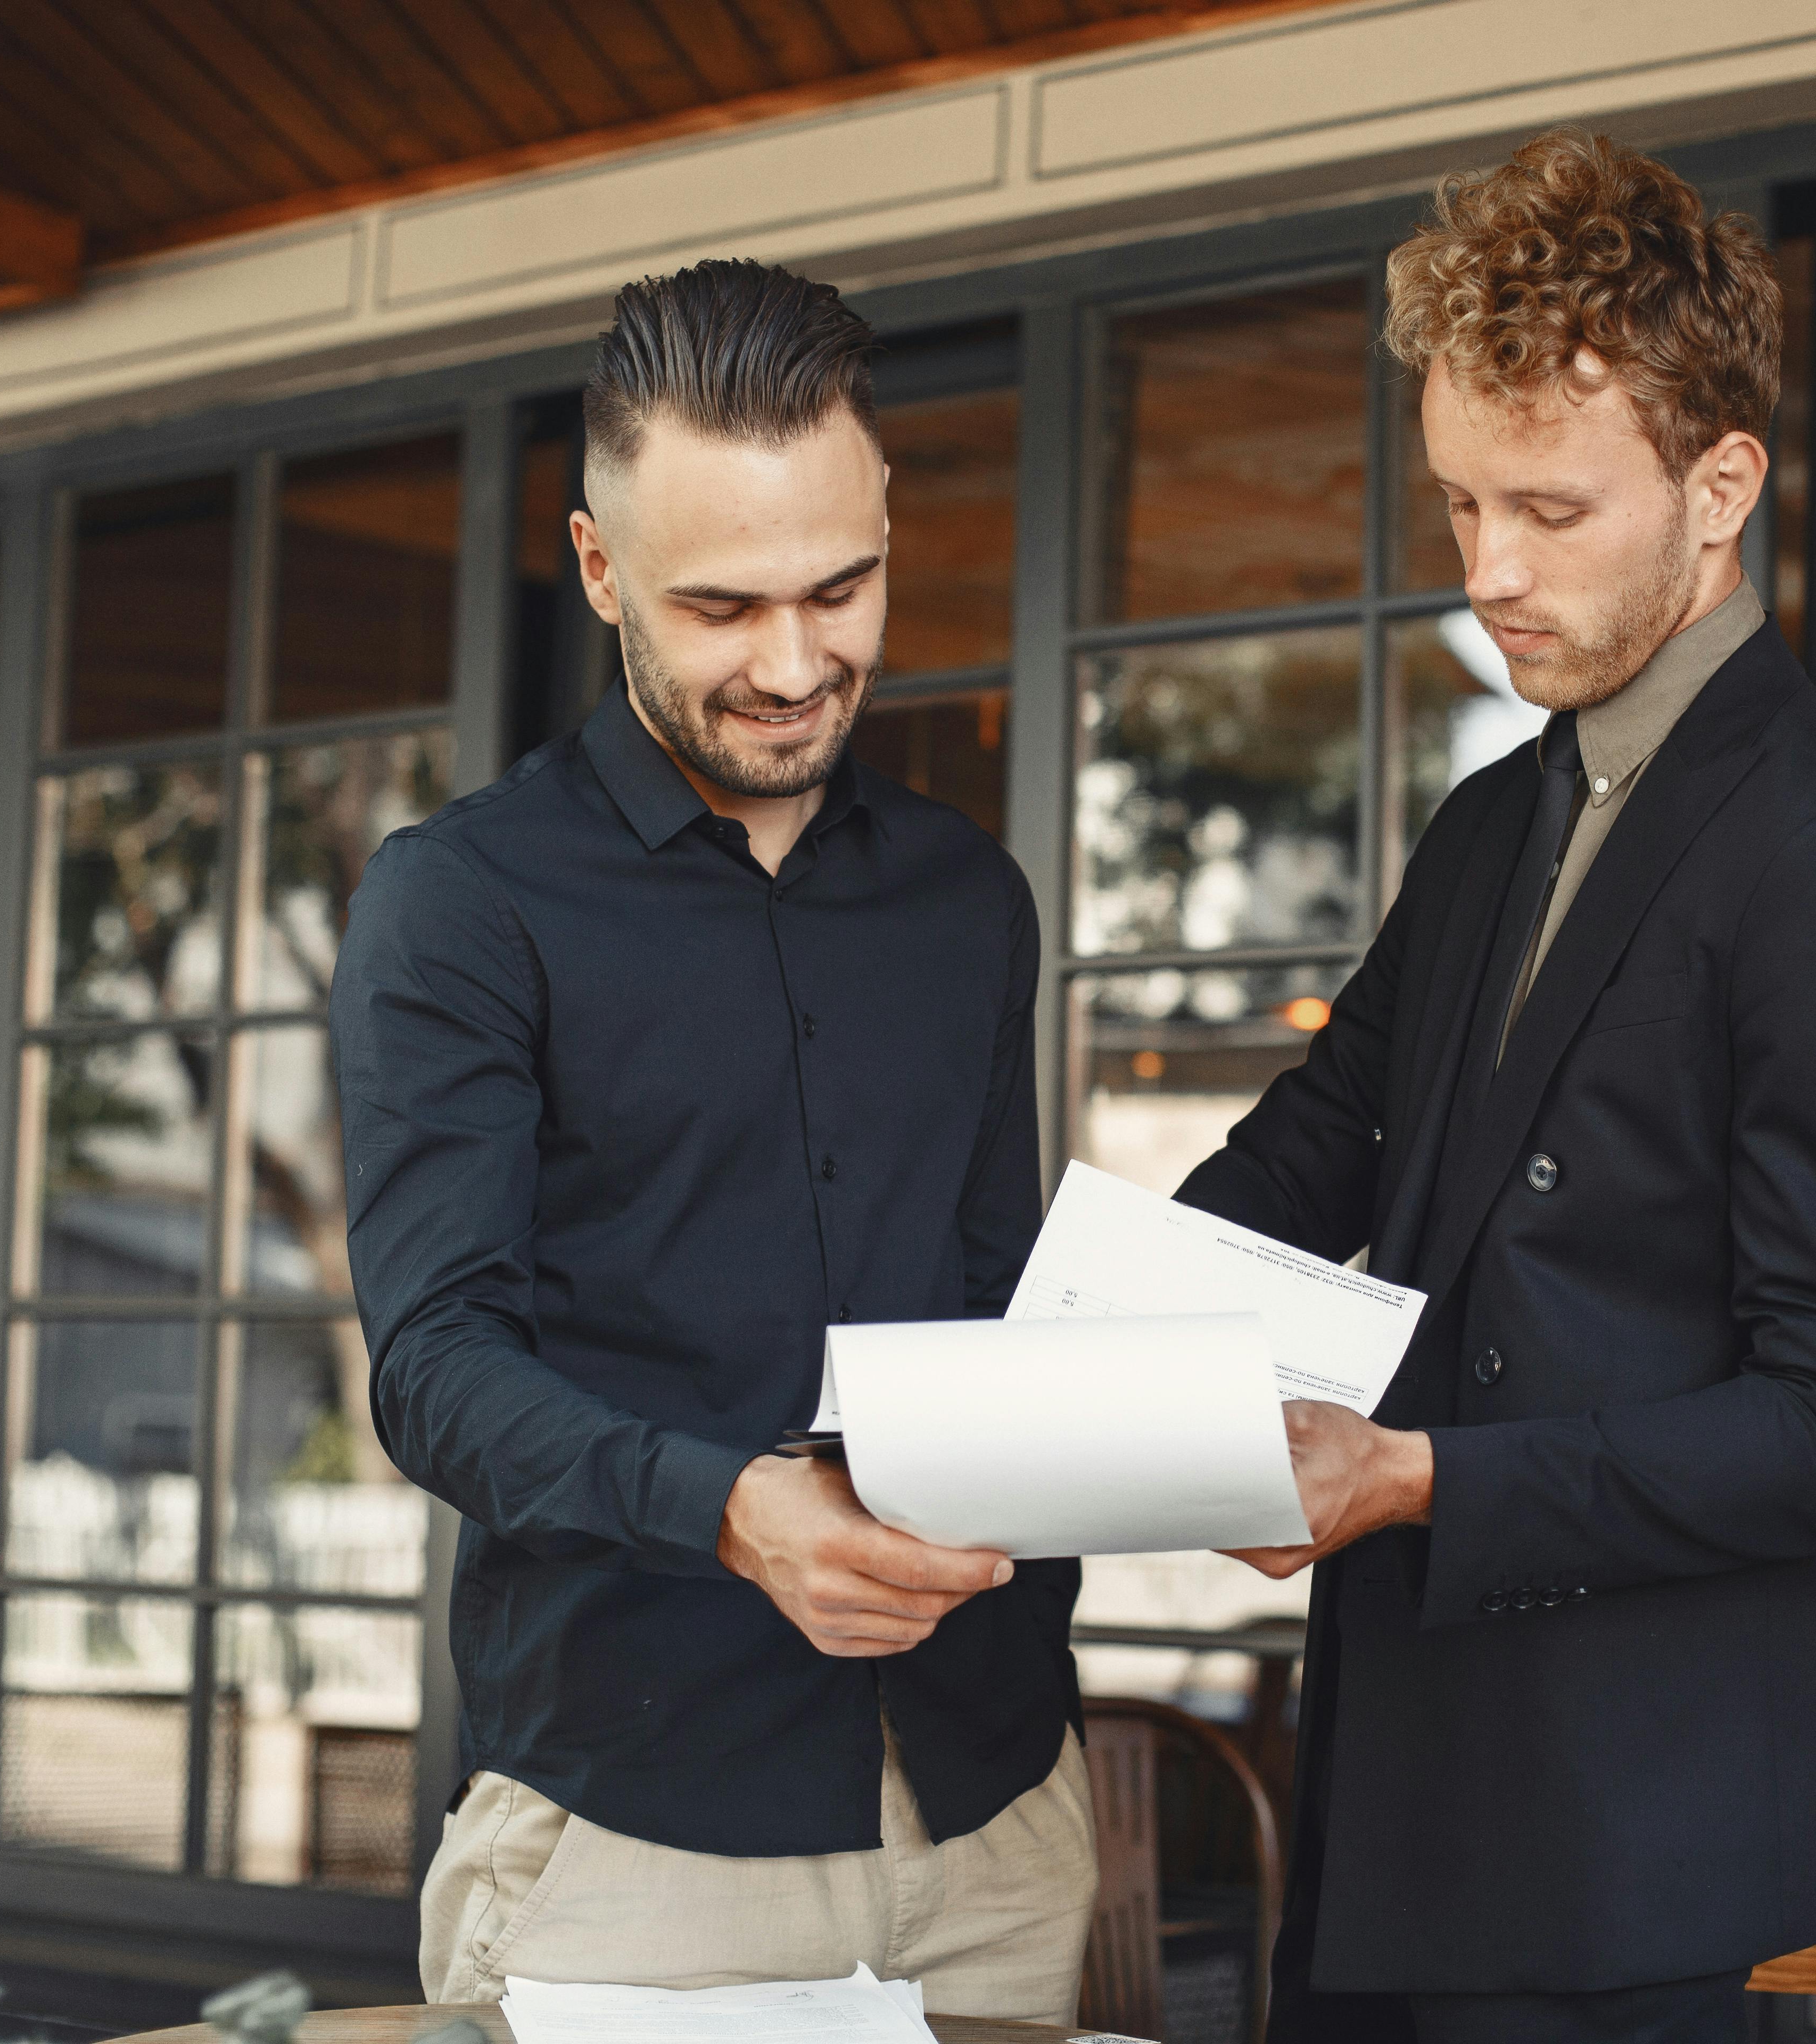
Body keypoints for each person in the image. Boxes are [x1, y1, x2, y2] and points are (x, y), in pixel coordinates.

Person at [1174, 131, 1816, 2042]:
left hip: (1636, 1876)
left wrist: (1416, 1480)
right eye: (1460, 503)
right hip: (1395, 1809)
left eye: (1549, 509)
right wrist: (1032, 1375)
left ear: (1722, 489)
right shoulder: (1491, 822)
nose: (1490, 573)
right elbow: (1312, 1152)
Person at [335, 260, 1093, 2017]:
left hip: (997, 1820)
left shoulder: (970, 900)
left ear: (891, 521)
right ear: (600, 573)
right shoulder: (460, 904)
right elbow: (436, 1366)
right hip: (635, 1837)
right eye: (722, 606)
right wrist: (734, 1512)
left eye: (842, 588)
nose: (794, 663)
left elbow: (993, 1292)